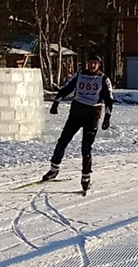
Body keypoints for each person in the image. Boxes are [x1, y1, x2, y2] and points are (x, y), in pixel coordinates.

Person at [43, 54, 114, 195]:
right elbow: (67, 88)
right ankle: (53, 169)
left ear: (99, 65)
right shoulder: (80, 75)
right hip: (76, 113)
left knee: (86, 148)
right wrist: (56, 102)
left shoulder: (103, 79)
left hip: (92, 115)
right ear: (86, 63)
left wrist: (107, 117)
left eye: (95, 63)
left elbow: (109, 100)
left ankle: (85, 178)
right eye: (90, 62)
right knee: (62, 141)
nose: (92, 65)